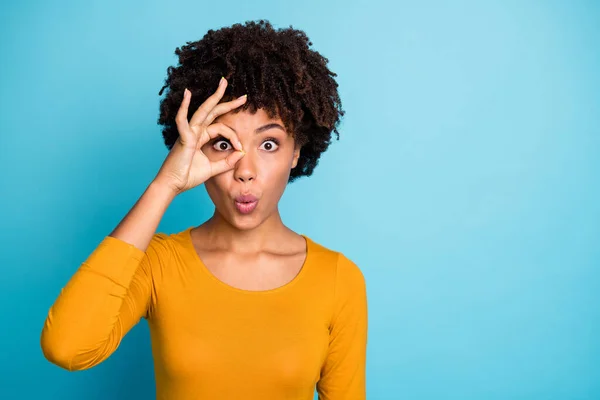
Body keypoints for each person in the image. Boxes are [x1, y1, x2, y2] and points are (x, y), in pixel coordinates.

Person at [40, 19, 368, 400]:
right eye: (224, 143)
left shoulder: (337, 280)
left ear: (297, 151)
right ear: (197, 148)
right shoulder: (158, 263)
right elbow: (67, 347)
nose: (245, 172)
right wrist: (165, 185)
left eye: (269, 144)